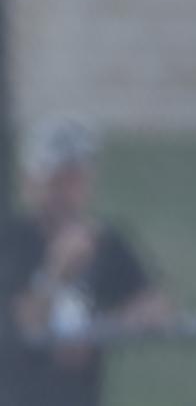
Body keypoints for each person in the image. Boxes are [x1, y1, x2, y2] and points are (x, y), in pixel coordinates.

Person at [0, 117, 172, 406]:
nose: (66, 193)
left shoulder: (104, 241)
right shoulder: (13, 240)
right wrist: (56, 272)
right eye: (57, 180)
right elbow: (24, 323)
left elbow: (157, 307)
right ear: (31, 181)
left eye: (76, 179)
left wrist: (103, 328)